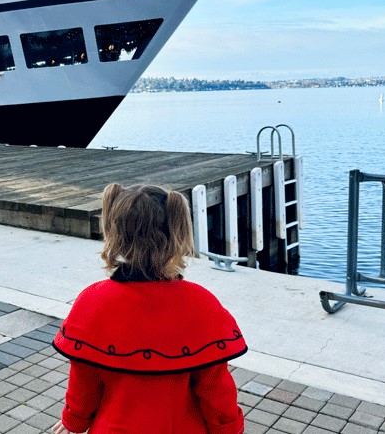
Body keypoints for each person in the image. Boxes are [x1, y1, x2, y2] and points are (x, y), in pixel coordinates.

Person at [51, 183, 246, 434]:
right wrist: (229, 429)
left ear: (114, 232)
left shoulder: (92, 301)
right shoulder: (201, 303)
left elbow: (84, 381)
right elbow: (215, 390)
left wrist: (74, 420)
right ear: (178, 231)